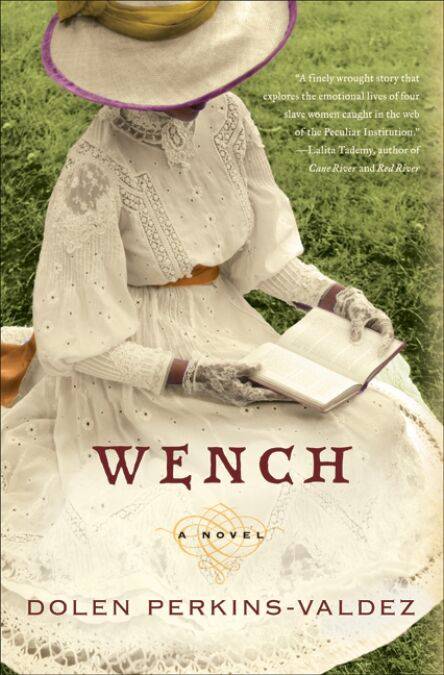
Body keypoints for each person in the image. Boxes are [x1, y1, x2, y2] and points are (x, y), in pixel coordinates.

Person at [1, 2, 442, 674]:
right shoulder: (93, 173)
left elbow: (255, 259)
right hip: (138, 361)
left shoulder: (227, 118)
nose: (203, 91)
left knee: (369, 427)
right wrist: (191, 375)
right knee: (215, 486)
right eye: (180, 79)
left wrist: (335, 296)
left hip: (223, 323)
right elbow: (81, 341)